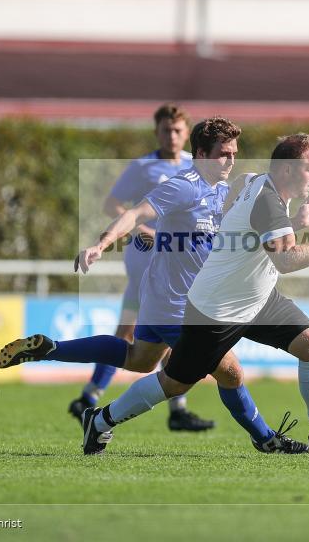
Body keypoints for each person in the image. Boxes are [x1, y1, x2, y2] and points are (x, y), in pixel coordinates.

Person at [0, 118, 309, 455]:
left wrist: (294, 224)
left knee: (138, 359)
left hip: (168, 296)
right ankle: (266, 438)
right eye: (223, 154)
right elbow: (136, 214)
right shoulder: (184, 186)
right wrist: (102, 243)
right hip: (177, 302)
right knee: (229, 372)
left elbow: (237, 240)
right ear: (200, 155)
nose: (231, 161)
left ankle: (51, 349)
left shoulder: (226, 192)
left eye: (234, 154)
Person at [81, 133, 309, 456]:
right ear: (288, 169)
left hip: (259, 299)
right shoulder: (267, 201)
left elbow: (241, 207)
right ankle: (100, 420)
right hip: (216, 310)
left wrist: (292, 223)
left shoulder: (255, 182)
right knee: (174, 383)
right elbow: (286, 260)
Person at [66, 103, 213, 432]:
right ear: (156, 132)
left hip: (178, 265)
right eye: (165, 130)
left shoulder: (194, 166)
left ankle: (92, 397)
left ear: (187, 134)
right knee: (145, 332)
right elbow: (112, 204)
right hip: (145, 262)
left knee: (150, 335)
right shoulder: (143, 166)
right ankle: (98, 398)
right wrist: (140, 229)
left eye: (177, 130)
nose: (171, 136)